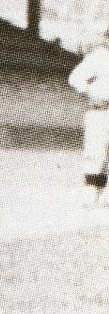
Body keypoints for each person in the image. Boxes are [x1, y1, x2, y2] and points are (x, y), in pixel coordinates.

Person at [66, 28, 109, 208]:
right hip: (100, 110)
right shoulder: (98, 57)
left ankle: (103, 196)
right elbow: (75, 78)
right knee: (96, 153)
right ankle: (91, 195)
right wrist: (91, 92)